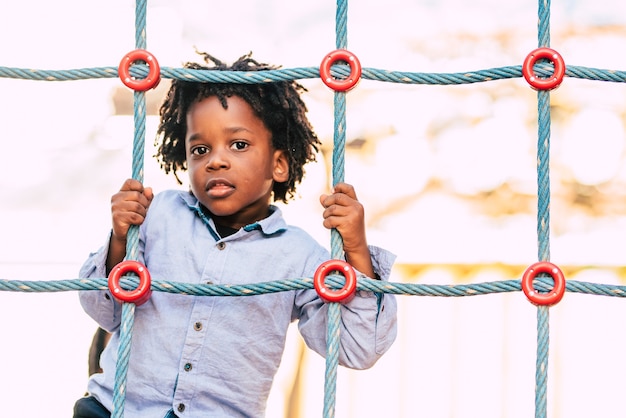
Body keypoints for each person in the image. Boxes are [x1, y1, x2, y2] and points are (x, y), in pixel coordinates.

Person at [74, 52, 397, 418]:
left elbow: (359, 349)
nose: (215, 160)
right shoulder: (159, 214)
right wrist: (120, 237)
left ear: (278, 164)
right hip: (116, 410)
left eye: (238, 145)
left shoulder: (300, 256)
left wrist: (355, 249)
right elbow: (103, 309)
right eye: (200, 149)